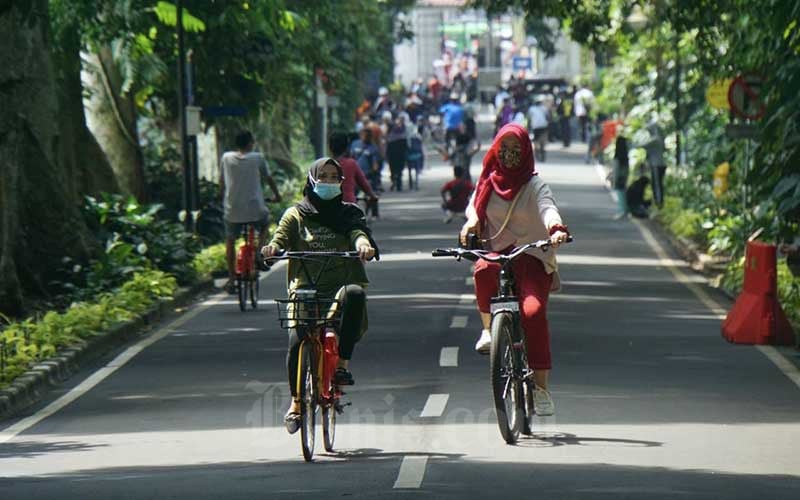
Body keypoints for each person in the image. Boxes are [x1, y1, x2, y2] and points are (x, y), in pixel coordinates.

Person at [459, 123, 570, 416]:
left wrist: (555, 228)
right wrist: (470, 223)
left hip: (532, 256)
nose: (509, 155)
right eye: (503, 148)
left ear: (526, 152)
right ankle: (488, 330)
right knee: (482, 270)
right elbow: (473, 209)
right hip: (498, 255)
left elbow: (548, 208)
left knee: (532, 312)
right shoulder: (486, 181)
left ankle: (541, 388)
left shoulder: (534, 184)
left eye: (515, 149)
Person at [262, 158, 378, 434]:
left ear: (341, 181)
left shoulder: (349, 212)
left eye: (333, 176)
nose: (328, 181)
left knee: (355, 295)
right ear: (312, 179)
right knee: (296, 340)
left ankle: (342, 366)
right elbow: (279, 238)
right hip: (305, 286)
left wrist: (363, 245)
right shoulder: (296, 215)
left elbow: (358, 234)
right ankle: (296, 403)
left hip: (341, 285)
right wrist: (272, 248)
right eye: (322, 176)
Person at [219, 130, 282, 294]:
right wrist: (277, 196)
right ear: (250, 144)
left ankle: (232, 279)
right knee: (265, 223)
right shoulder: (257, 158)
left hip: (232, 210)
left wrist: (220, 198)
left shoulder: (226, 158)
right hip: (255, 209)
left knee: (230, 240)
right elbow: (268, 179)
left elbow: (222, 184)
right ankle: (259, 254)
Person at [329, 132, 378, 215]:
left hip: (329, 207)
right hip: (349, 206)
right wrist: (372, 196)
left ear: (330, 147)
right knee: (359, 226)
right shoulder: (351, 164)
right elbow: (364, 184)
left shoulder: (323, 164)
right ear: (346, 147)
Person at [637, 122, 666, 208]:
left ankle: (659, 204)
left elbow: (642, 145)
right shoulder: (659, 139)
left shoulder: (656, 139)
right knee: (656, 185)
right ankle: (657, 203)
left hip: (657, 165)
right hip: (656, 164)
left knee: (657, 185)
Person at [350, 128, 381, 193]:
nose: (366, 137)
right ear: (361, 135)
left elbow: (375, 163)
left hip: (367, 174)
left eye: (369, 136)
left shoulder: (373, 147)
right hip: (355, 173)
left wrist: (374, 171)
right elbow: (350, 157)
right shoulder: (354, 144)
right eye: (365, 135)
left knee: (371, 191)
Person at [385, 116, 409, 192]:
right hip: (397, 155)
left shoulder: (390, 136)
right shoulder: (402, 135)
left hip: (394, 155)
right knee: (398, 170)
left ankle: (396, 183)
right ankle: (397, 184)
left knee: (395, 170)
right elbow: (406, 147)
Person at [613, 132, 630, 219]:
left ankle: (623, 211)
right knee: (623, 194)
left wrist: (614, 180)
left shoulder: (618, 157)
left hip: (619, 178)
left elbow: (616, 170)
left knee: (620, 195)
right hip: (623, 177)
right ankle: (624, 210)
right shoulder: (625, 157)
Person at [527, 97, 549, 162]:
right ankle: (542, 151)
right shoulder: (544, 108)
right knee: (543, 140)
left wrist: (528, 127)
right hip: (544, 126)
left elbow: (529, 119)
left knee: (536, 141)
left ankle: (537, 151)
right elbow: (548, 117)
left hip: (535, 126)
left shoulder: (531, 109)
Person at [406, 124, 425, 190]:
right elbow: (421, 147)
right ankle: (416, 183)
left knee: (409, 170)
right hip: (417, 155)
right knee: (417, 170)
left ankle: (411, 184)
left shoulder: (407, 137)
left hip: (409, 156)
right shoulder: (418, 136)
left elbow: (407, 147)